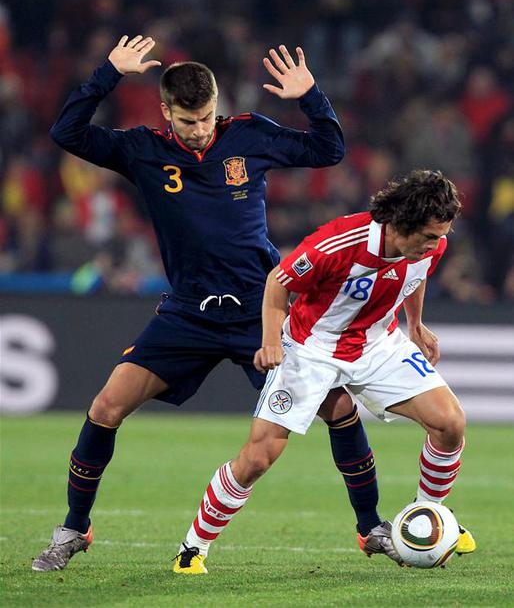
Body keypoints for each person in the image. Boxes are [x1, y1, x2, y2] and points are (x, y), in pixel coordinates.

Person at [32, 35, 387, 572]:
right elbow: (67, 132)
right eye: (186, 121)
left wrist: (310, 96)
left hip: (259, 310)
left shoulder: (248, 135)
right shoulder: (142, 149)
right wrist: (108, 73)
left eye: (204, 118)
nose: (198, 130)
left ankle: (371, 528)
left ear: (216, 106)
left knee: (338, 407)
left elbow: (328, 150)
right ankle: (74, 529)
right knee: (105, 408)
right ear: (165, 111)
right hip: (187, 313)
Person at [173, 169, 477, 574]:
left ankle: (426, 517)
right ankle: (193, 547)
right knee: (259, 457)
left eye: (440, 236)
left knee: (450, 423)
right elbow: (278, 282)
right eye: (429, 236)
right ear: (402, 224)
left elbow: (414, 274)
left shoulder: (427, 246)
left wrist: (416, 324)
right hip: (311, 349)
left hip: (376, 342)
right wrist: (271, 340)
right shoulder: (340, 242)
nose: (436, 245)